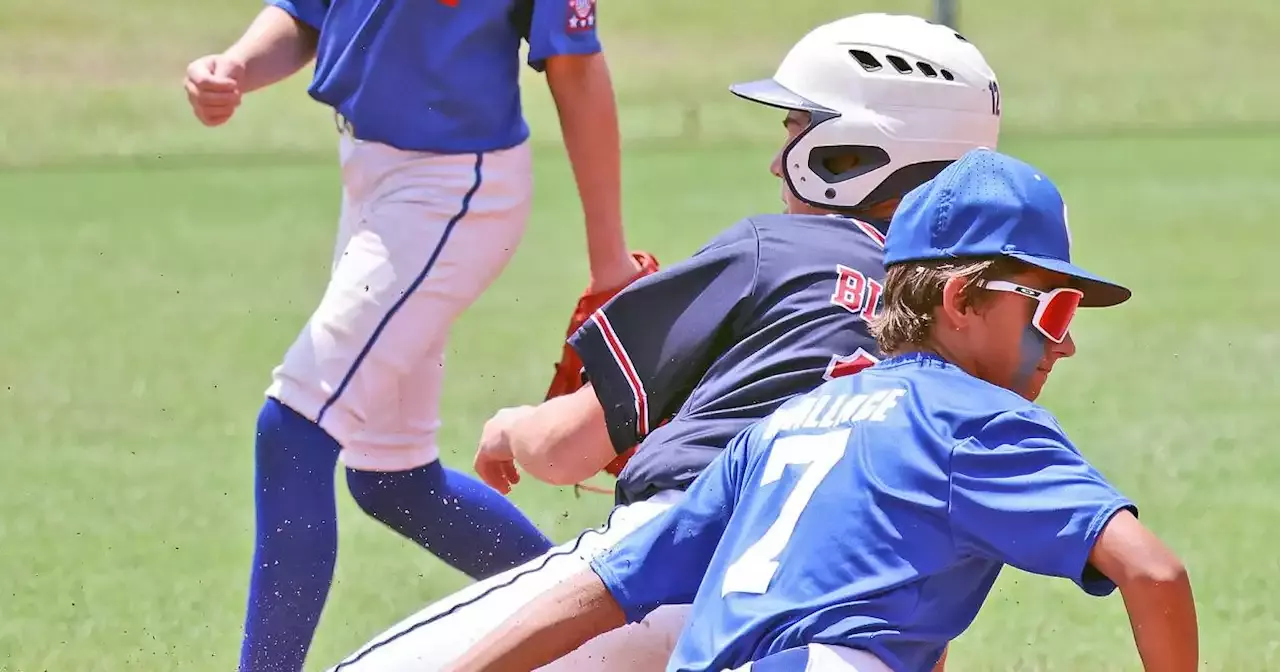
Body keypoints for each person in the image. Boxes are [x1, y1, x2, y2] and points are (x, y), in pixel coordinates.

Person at [327, 13, 1005, 672]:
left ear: (853, 152)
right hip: (836, 624)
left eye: (796, 129)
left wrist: (514, 429)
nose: (777, 161)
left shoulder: (778, 248)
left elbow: (568, 450)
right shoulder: (968, 329)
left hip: (673, 571)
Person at [444, 148, 1200, 672]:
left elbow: (598, 590)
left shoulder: (786, 425)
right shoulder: (978, 423)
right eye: (1055, 308)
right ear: (961, 301)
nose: (1061, 344)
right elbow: (1155, 574)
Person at [181, 1, 644, 670]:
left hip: (453, 189)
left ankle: (610, 627)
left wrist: (610, 263)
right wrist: (236, 67)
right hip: (368, 174)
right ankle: (613, 632)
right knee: (393, 480)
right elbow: (306, 13)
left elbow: (574, 67)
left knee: (294, 429)